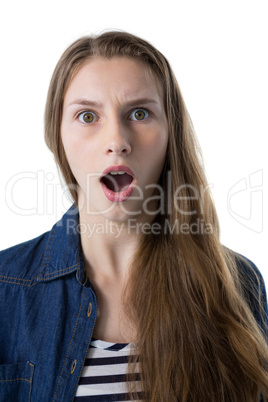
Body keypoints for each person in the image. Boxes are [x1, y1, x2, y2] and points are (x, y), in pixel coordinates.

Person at [0, 31, 267, 402]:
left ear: (170, 131)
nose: (117, 139)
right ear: (57, 135)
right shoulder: (5, 288)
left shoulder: (238, 283)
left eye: (140, 113)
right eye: (87, 115)